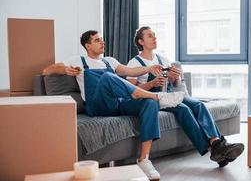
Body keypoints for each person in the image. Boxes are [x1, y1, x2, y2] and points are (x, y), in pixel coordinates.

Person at [43, 30, 186, 181]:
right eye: (97, 40)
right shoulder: (78, 60)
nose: (102, 42)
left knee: (149, 104)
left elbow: (131, 71)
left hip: (117, 103)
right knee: (107, 77)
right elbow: (47, 70)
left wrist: (149, 68)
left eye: (102, 39)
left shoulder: (109, 61)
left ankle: (144, 159)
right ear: (88, 45)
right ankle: (157, 96)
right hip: (96, 105)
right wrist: (65, 69)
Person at [127, 26, 245, 172]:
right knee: (185, 110)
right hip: (153, 97)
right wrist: (152, 83)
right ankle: (217, 150)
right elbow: (133, 91)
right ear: (141, 41)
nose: (154, 38)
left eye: (155, 35)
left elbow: (176, 84)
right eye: (150, 36)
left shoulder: (162, 59)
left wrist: (174, 77)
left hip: (169, 94)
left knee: (199, 105)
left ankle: (216, 144)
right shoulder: (134, 63)